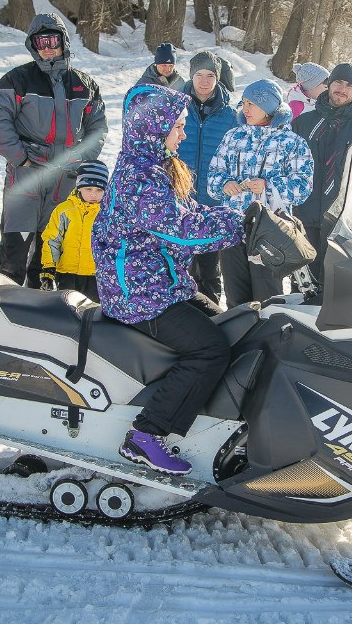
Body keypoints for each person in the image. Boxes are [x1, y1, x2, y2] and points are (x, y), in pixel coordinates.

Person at [92, 85, 246, 476]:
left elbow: (189, 213)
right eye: (177, 126)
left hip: (163, 284)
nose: (183, 134)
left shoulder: (156, 166)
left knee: (237, 327)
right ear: (155, 129)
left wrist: (241, 215)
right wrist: (235, 228)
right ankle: (145, 435)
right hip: (137, 293)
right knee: (210, 349)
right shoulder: (140, 176)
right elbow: (179, 232)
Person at [0, 14, 107, 286]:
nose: (48, 47)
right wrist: (20, 158)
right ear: (33, 44)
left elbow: (97, 128)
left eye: (53, 40)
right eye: (41, 42)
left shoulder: (84, 85)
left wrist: (81, 160)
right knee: (15, 249)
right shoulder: (17, 80)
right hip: (27, 175)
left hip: (64, 178)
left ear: (63, 42)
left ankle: (41, 302)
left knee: (50, 248)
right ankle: (4, 301)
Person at [206, 78, 314, 305]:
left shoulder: (292, 142)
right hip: (233, 228)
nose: (245, 109)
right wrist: (224, 184)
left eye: (252, 104)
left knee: (268, 298)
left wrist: (268, 186)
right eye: (244, 102)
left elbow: (303, 187)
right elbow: (213, 176)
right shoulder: (233, 137)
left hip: (270, 232)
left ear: (269, 107)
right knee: (236, 298)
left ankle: (268, 329)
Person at [291, 63, 352, 286]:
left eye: (349, 85)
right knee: (303, 286)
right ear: (329, 84)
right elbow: (286, 166)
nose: (342, 89)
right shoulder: (302, 123)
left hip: (343, 222)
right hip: (304, 217)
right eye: (338, 82)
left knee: (338, 286)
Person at [176, 49, 240, 303]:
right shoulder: (176, 109)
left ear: (218, 77)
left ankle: (212, 314)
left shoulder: (231, 116)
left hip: (213, 202)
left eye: (210, 75)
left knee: (210, 269)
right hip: (180, 199)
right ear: (191, 76)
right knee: (180, 266)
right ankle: (180, 313)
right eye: (199, 75)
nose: (204, 81)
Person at [39, 160, 108, 302]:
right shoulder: (64, 211)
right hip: (67, 274)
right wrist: (49, 268)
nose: (93, 195)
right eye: (88, 189)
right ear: (79, 187)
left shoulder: (107, 214)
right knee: (67, 309)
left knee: (92, 311)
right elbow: (52, 240)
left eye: (99, 190)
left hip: (96, 276)